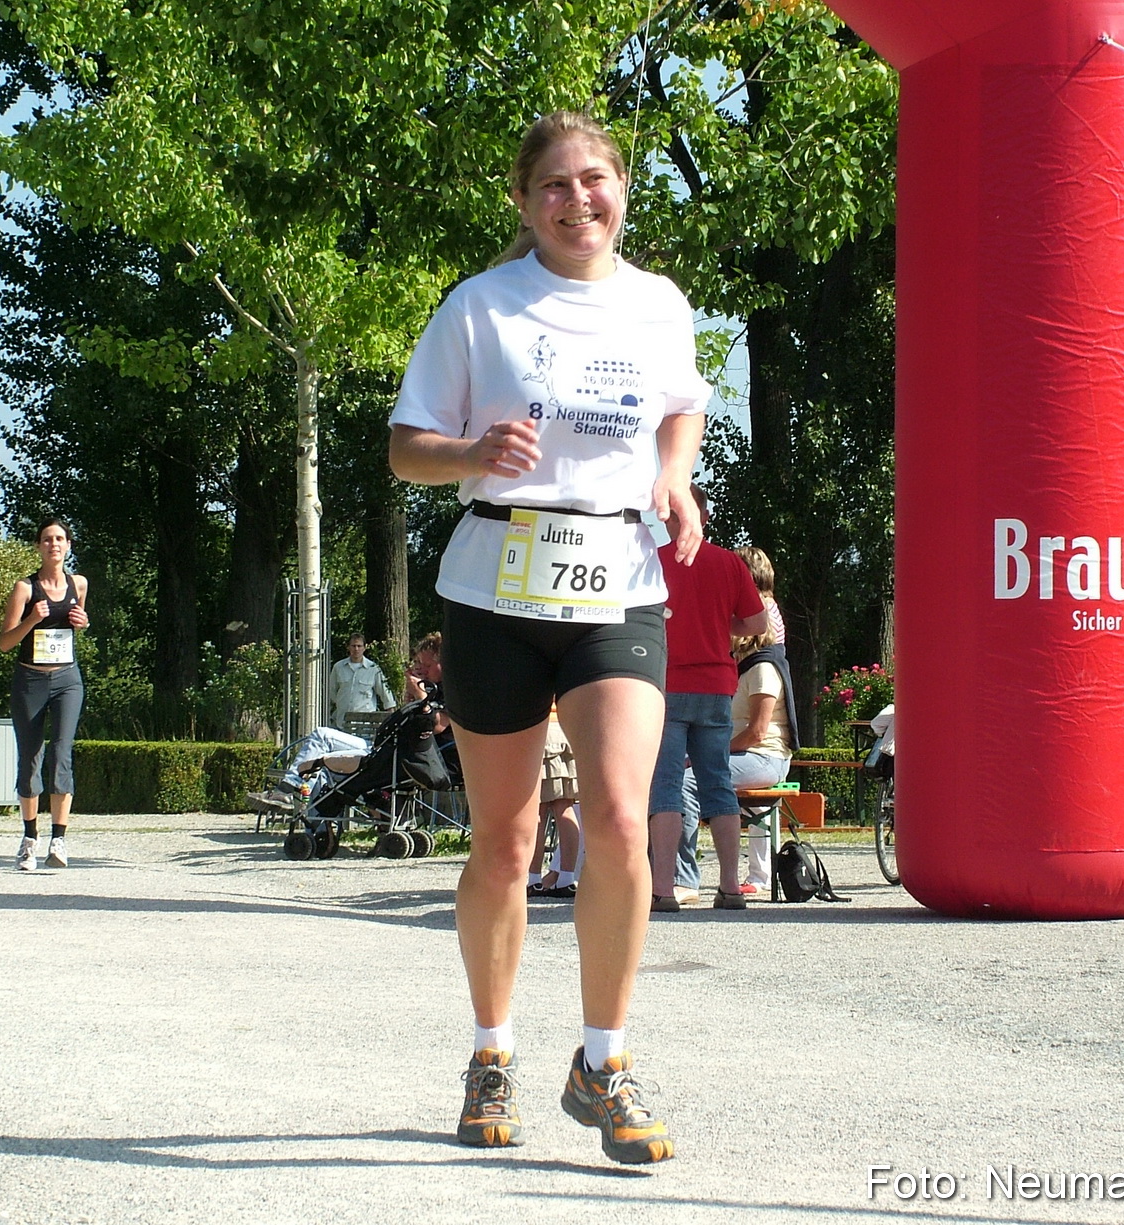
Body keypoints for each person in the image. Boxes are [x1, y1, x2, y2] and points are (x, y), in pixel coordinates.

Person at [388, 110, 707, 1165]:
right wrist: (472, 447)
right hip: (496, 584)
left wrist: (673, 470)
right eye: (554, 187)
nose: (578, 201)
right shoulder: (479, 309)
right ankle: (490, 1052)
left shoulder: (658, 306)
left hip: (616, 578)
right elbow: (405, 450)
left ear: (622, 190)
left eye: (594, 181)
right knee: (507, 842)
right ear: (526, 205)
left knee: (620, 817)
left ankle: (604, 1063)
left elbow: (680, 406)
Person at [648, 487, 769, 912]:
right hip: (717, 684)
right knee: (717, 782)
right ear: (705, 516)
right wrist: (720, 624)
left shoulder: (654, 562)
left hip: (666, 685)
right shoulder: (729, 563)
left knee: (664, 785)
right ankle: (732, 886)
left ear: (667, 517)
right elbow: (756, 621)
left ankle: (663, 888)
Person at [0, 518, 89, 873]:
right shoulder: (25, 588)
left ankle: (59, 839)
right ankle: (29, 839)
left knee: (62, 753)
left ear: (68, 546)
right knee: (31, 757)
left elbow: (78, 622)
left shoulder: (78, 584)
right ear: (39, 546)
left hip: (67, 679)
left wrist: (84, 622)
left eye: (60, 539)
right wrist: (32, 620)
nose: (54, 544)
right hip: (30, 681)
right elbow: (5, 643)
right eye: (48, 539)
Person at [728, 548, 799, 894]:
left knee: (698, 780)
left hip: (766, 748)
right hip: (766, 744)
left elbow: (756, 730)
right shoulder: (769, 604)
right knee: (757, 808)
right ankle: (759, 874)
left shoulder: (759, 611)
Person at [528, 712, 583, 899]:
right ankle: (567, 878)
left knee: (537, 812)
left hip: (539, 730)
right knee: (566, 809)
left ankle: (533, 879)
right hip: (566, 732)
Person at [329, 633, 396, 732]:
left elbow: (384, 692)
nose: (356, 649)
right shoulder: (338, 667)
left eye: (359, 646)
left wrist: (391, 715)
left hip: (365, 724)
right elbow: (331, 692)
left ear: (364, 648)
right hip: (342, 722)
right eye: (353, 646)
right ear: (348, 647)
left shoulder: (373, 668)